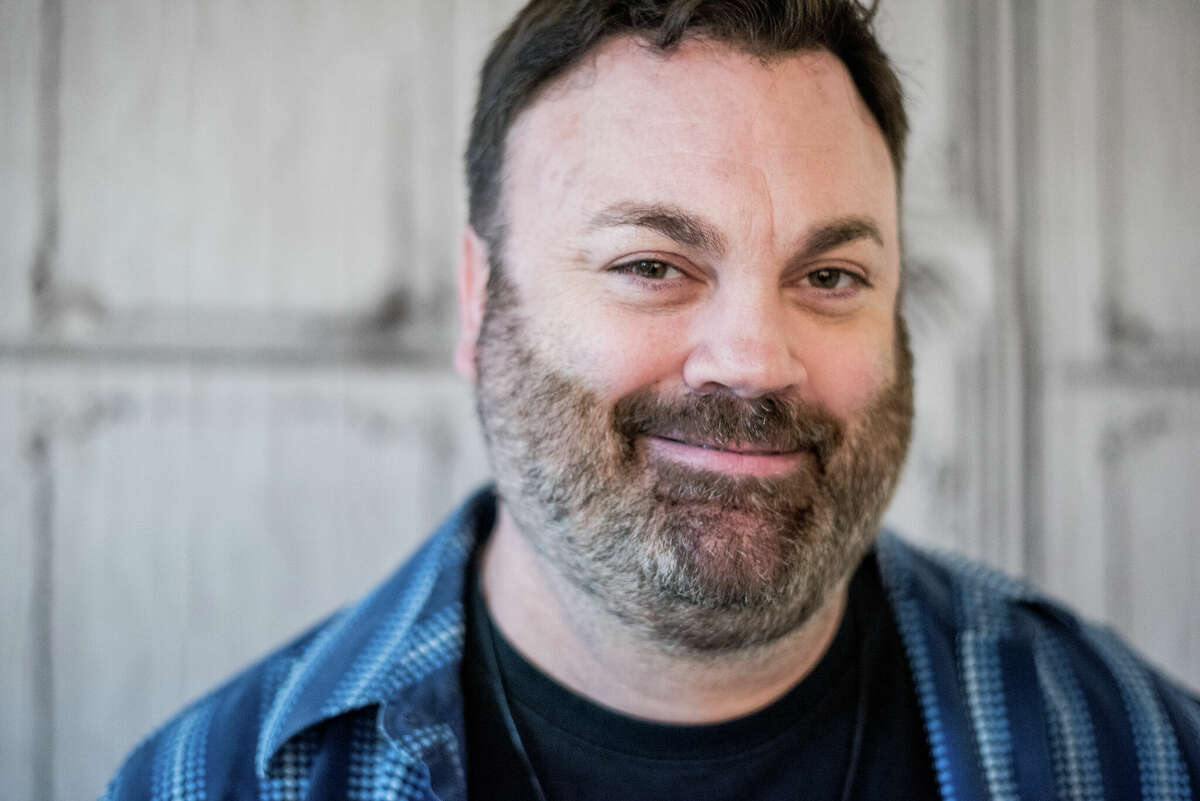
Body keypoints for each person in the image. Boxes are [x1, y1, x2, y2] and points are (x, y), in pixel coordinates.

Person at [103, 1, 1200, 799]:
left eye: (831, 278)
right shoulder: (221, 780)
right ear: (481, 302)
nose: (755, 361)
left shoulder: (1133, 750)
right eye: (651, 265)